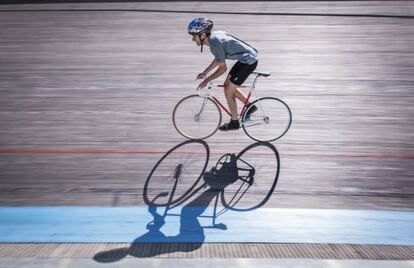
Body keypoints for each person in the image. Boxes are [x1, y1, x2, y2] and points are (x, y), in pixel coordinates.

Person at [188, 18, 259, 131]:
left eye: (194, 36)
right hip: (245, 58)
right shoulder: (213, 39)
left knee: (228, 90)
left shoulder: (214, 43)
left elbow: (222, 68)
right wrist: (205, 72)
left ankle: (234, 122)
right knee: (228, 87)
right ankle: (250, 107)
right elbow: (218, 58)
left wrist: (207, 80)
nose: (192, 39)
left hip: (249, 61)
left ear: (203, 35)